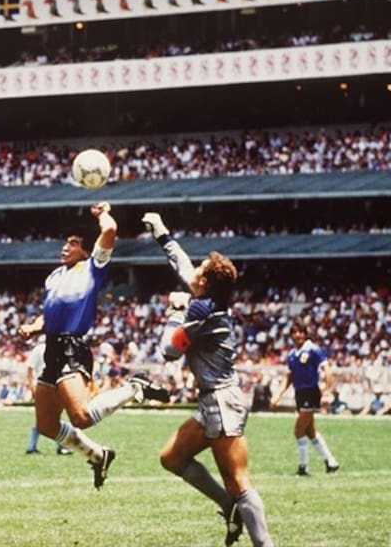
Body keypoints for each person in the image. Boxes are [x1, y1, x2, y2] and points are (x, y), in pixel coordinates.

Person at [142, 212, 273, 547]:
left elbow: (168, 351)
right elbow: (184, 266)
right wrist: (162, 233)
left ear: (205, 284)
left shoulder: (202, 310)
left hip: (222, 401)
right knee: (172, 457)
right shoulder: (207, 300)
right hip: (213, 399)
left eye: (199, 272)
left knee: (238, 480)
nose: (193, 273)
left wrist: (174, 313)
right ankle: (230, 508)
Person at [18, 202, 169, 489]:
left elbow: (110, 229)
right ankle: (99, 455)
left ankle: (133, 388)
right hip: (51, 348)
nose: (65, 247)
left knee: (82, 417)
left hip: (72, 347)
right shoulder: (54, 276)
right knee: (47, 426)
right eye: (65, 243)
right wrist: (34, 327)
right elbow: (48, 312)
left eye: (73, 244)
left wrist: (102, 214)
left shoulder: (93, 267)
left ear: (85, 251)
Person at [270, 320, 340, 476]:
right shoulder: (292, 354)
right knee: (310, 431)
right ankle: (331, 462)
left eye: (300, 332)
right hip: (299, 393)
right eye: (294, 332)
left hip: (311, 392)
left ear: (305, 333)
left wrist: (326, 391)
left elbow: (327, 371)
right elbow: (289, 377)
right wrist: (278, 394)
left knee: (298, 430)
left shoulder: (313, 350)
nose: (297, 335)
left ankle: (303, 466)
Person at [24, 336, 72, 455]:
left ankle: (32, 446)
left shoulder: (48, 349)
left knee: (48, 418)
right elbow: (30, 369)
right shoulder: (41, 350)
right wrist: (32, 386)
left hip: (50, 386)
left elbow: (29, 369)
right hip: (46, 385)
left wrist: (32, 386)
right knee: (49, 418)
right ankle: (60, 446)